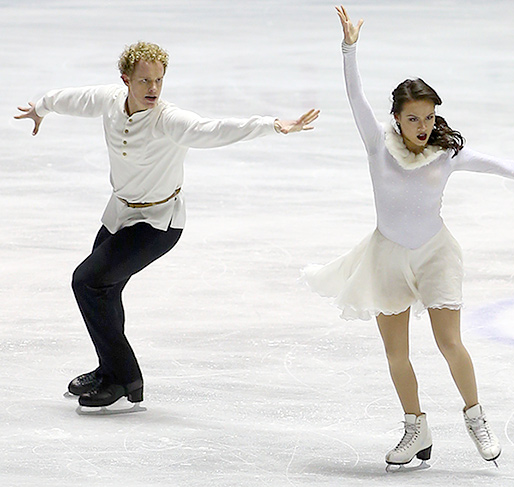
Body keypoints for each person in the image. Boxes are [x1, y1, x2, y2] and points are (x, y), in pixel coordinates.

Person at [303, 6, 514, 469]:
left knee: (449, 343)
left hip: (435, 255)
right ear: (396, 118)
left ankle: (476, 417)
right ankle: (416, 428)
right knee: (396, 354)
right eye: (413, 118)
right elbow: (354, 97)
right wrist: (349, 48)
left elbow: (499, 165)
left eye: (430, 118)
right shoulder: (378, 144)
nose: (423, 127)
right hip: (386, 257)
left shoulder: (446, 154)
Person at [15, 41, 319, 411]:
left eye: (159, 80)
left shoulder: (167, 119)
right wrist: (41, 108)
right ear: (126, 80)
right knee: (104, 290)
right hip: (120, 214)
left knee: (88, 282)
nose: (153, 89)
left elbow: (213, 130)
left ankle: (124, 377)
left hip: (157, 224)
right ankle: (109, 371)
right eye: (145, 81)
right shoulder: (111, 101)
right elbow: (72, 99)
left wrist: (271, 125)